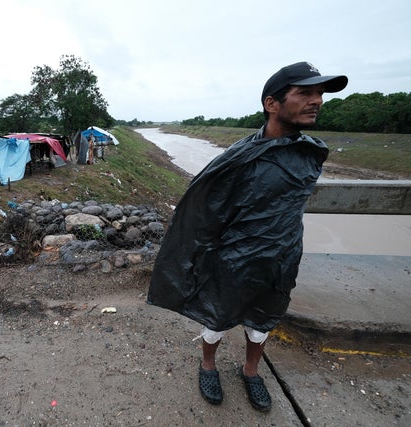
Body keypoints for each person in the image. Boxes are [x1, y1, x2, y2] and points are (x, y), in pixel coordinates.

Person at [147, 62, 348, 411]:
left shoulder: (312, 152)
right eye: (305, 93)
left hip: (283, 257)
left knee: (262, 323)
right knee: (217, 319)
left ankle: (251, 370)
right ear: (272, 104)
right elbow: (202, 213)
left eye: (320, 94)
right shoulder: (238, 158)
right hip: (234, 259)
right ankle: (207, 364)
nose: (317, 100)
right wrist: (194, 263)